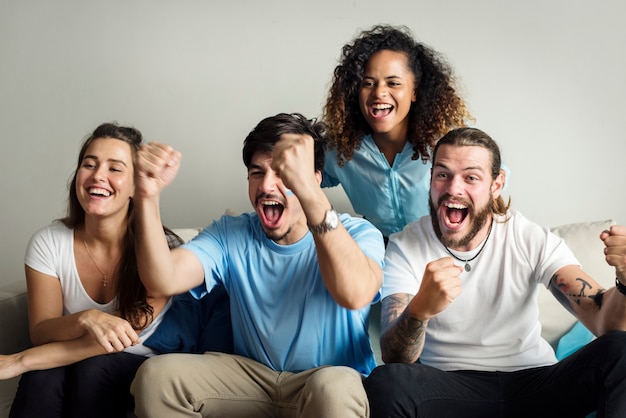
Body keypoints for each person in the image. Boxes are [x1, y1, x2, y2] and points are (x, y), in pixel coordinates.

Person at [129, 113, 385, 417]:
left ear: (314, 178)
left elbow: (355, 294)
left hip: (327, 380)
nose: (266, 186)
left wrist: (309, 194)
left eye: (282, 173)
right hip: (251, 380)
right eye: (256, 173)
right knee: (157, 378)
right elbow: (163, 279)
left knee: (334, 388)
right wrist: (146, 195)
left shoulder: (357, 233)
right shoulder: (231, 233)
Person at [363, 127, 626, 417]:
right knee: (386, 383)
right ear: (431, 179)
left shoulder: (527, 237)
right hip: (450, 388)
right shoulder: (406, 245)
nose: (453, 188)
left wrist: (625, 284)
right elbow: (394, 356)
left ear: (496, 184)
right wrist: (419, 310)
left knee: (621, 350)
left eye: (471, 177)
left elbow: (603, 324)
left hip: (535, 384)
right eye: (443, 174)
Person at [7, 123, 232, 418]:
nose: (98, 175)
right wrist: (87, 318)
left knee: (91, 370)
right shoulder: (48, 242)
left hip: (142, 362)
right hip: (77, 357)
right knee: (41, 380)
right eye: (89, 164)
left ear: (134, 188)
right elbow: (41, 331)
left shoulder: (159, 253)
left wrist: (20, 360)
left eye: (115, 168)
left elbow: (116, 340)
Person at [322, 24, 473, 240]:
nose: (379, 93)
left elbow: (490, 174)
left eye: (393, 83)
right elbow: (302, 177)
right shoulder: (343, 148)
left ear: (414, 92)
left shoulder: (449, 143)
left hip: (442, 246)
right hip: (380, 253)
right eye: (368, 83)